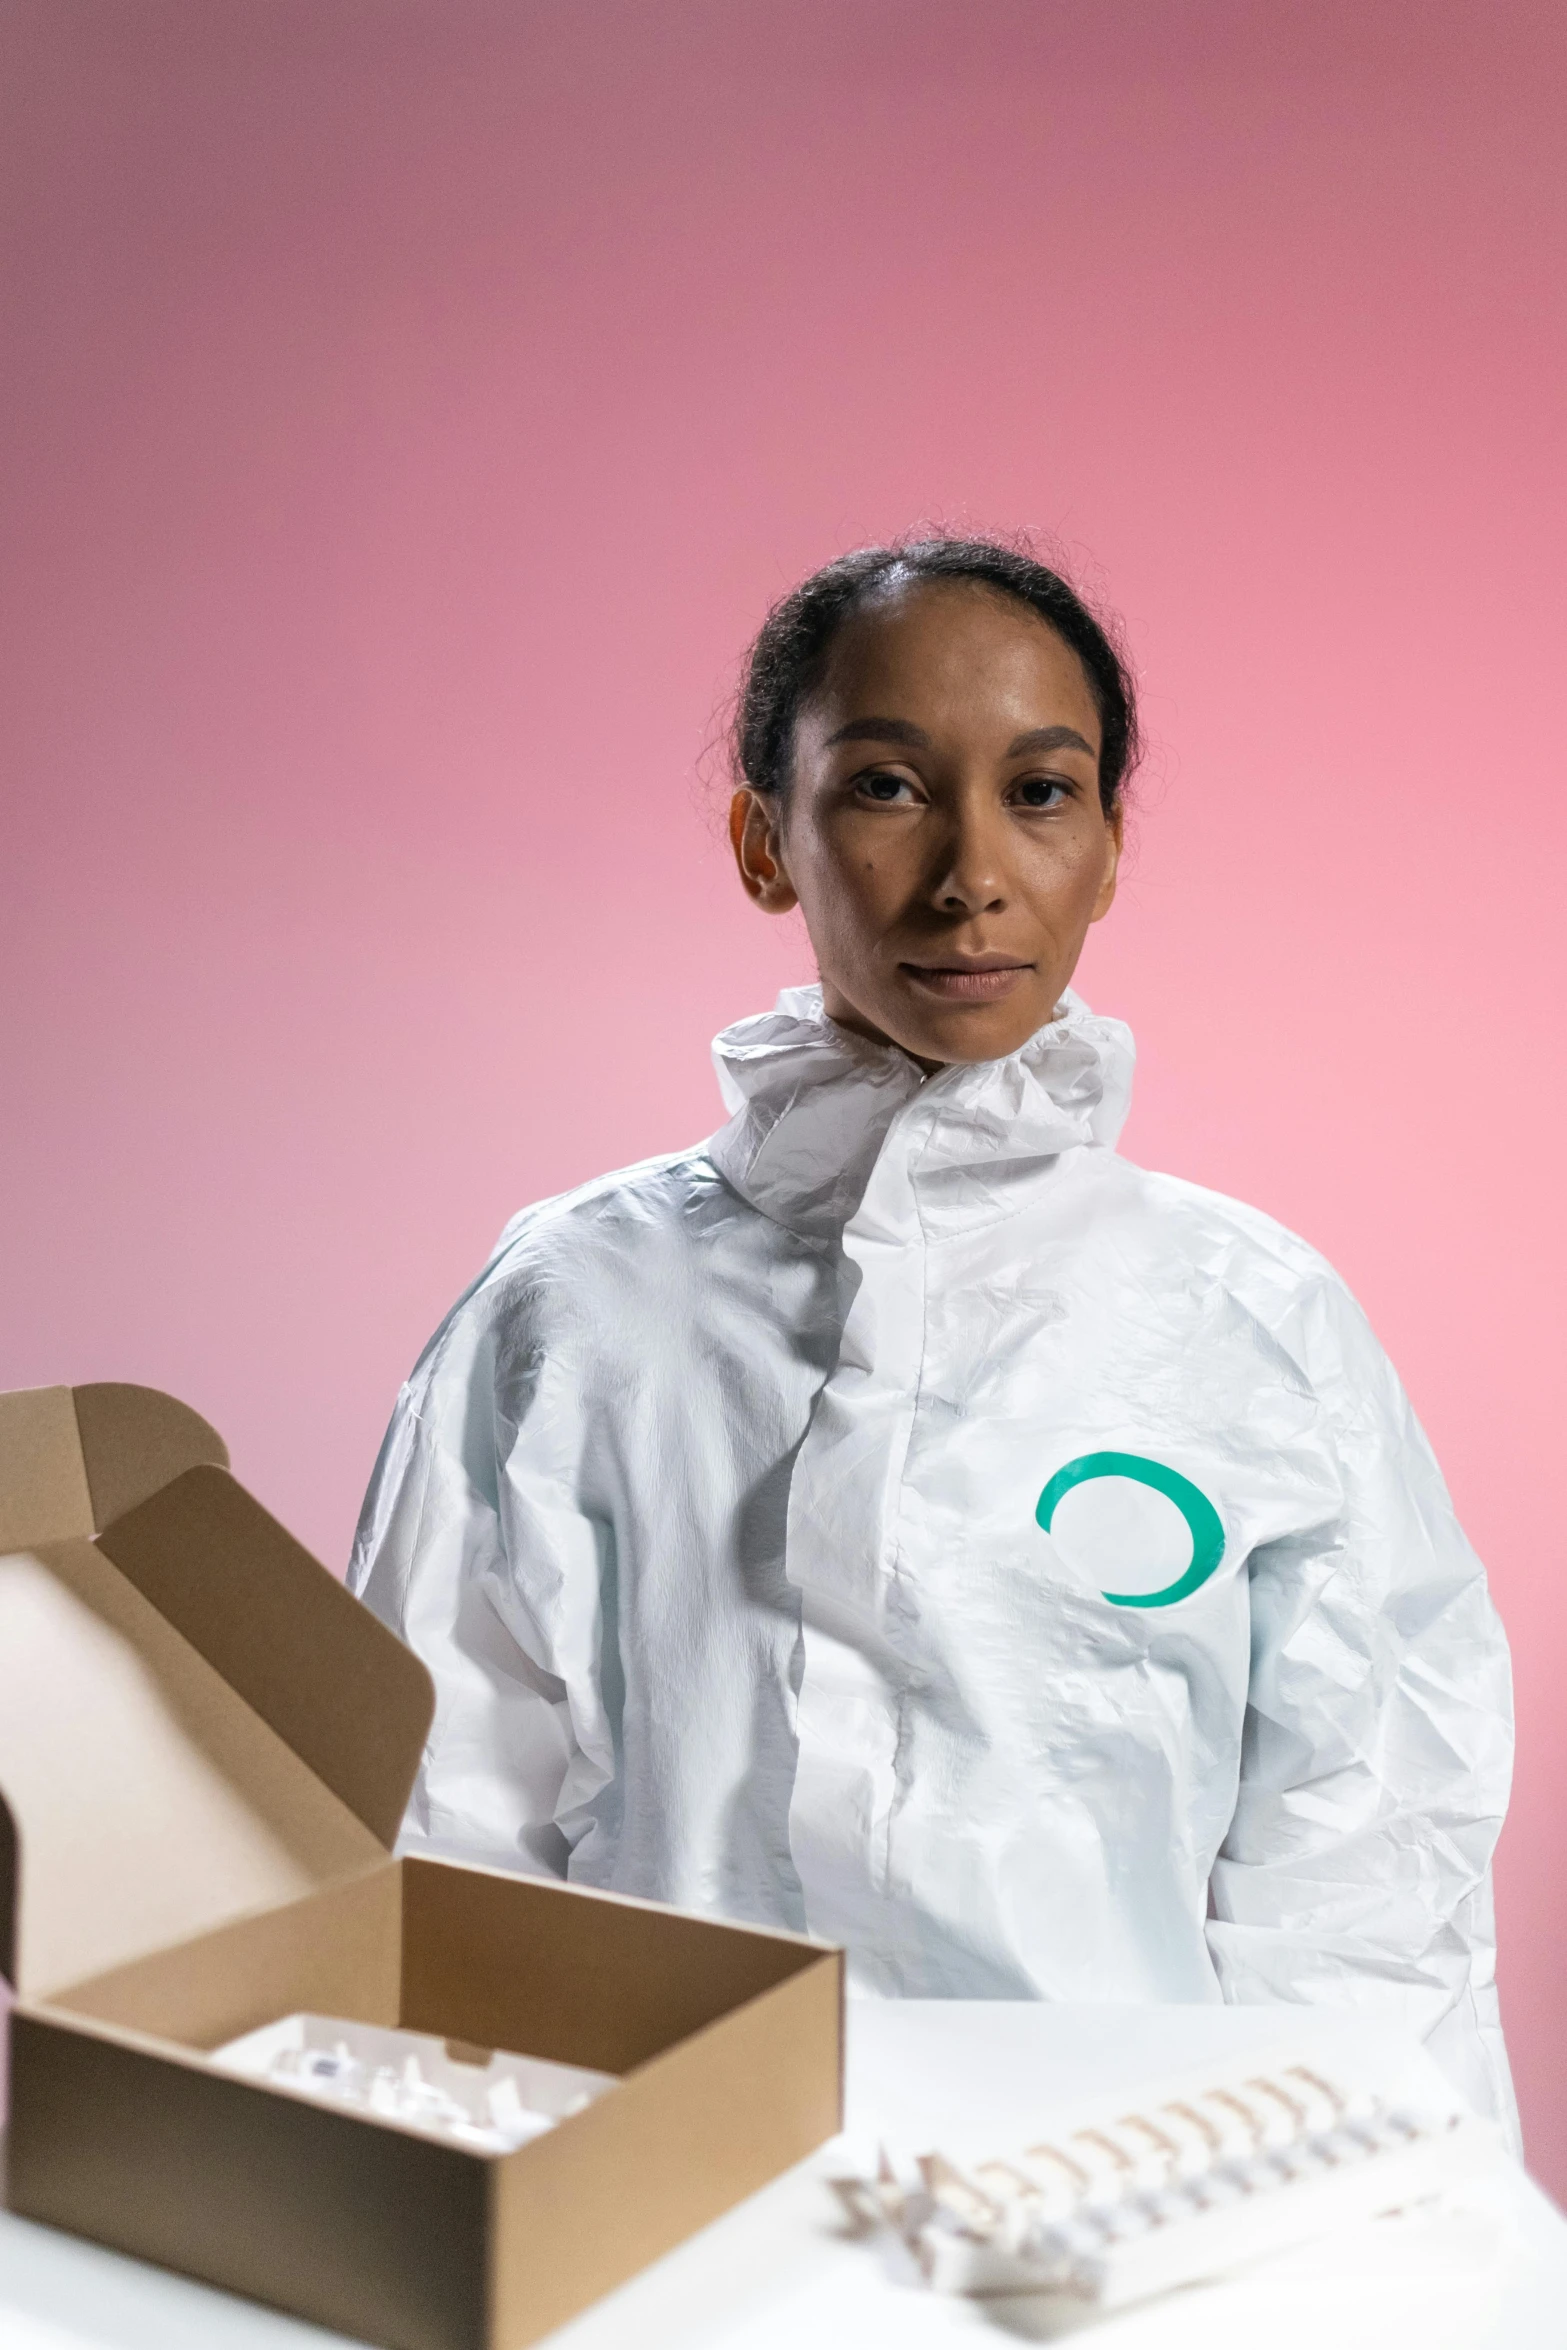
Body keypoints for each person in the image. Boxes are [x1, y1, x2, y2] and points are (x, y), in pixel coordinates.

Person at [351, 536, 1516, 2138]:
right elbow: (442, 1824)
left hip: (1110, 2229)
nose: (972, 871)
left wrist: (1324, 2247)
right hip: (663, 2216)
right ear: (768, 840)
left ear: (1109, 845)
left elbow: (1370, 1874)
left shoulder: (1250, 1320)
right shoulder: (574, 1303)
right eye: (889, 786)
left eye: (1041, 792)